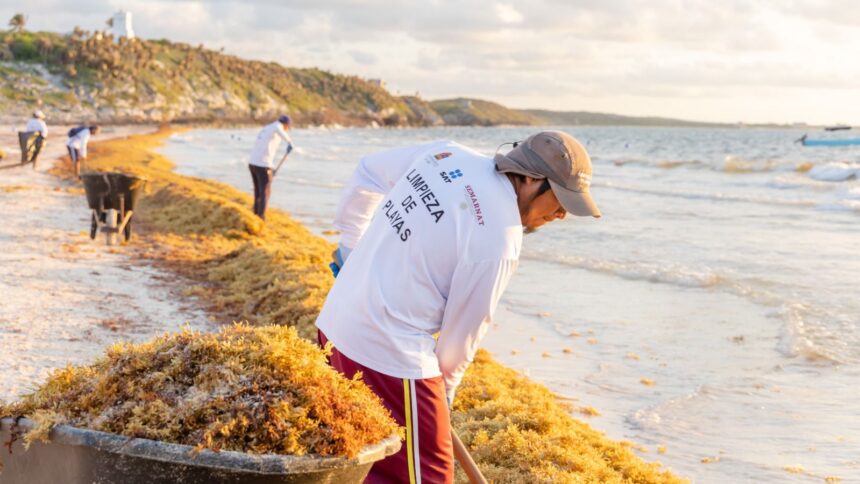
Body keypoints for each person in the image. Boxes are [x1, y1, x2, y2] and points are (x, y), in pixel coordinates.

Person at [315, 131, 601, 483]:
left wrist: (349, 249)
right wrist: (441, 397)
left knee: (357, 460)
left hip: (334, 325)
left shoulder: (446, 155)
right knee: (427, 478)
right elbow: (459, 340)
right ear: (529, 178)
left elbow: (367, 172)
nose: (561, 215)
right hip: (389, 354)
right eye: (559, 200)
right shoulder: (500, 239)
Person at [248, 115, 293, 220]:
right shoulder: (278, 127)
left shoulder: (267, 127)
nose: (288, 129)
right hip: (263, 164)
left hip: (253, 163)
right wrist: (290, 142)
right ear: (286, 125)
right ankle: (261, 217)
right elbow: (281, 132)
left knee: (258, 190)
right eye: (288, 127)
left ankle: (255, 213)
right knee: (265, 191)